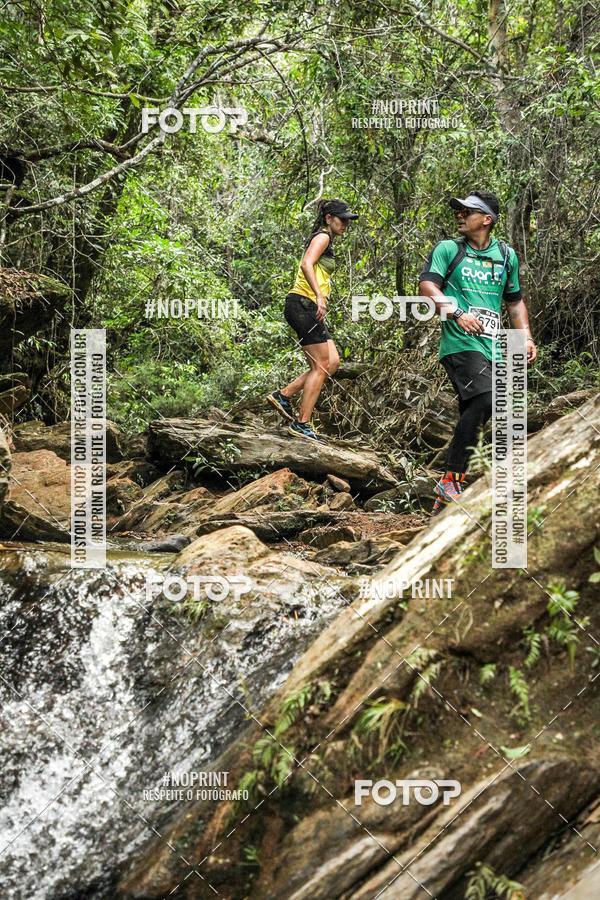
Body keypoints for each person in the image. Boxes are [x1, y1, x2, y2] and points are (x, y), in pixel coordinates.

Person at [418, 191, 537, 513]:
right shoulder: (449, 249)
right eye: (458, 210)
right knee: (487, 399)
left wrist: (525, 337)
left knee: (491, 410)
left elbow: (514, 302)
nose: (459, 215)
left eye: (467, 211)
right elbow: (427, 287)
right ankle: (451, 480)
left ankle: (459, 490)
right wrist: (457, 313)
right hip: (460, 343)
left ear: (487, 219)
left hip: (494, 346)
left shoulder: (506, 256)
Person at [267, 198, 358, 442]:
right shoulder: (323, 236)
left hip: (305, 307)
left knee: (333, 362)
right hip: (303, 304)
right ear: (329, 218)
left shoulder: (327, 238)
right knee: (320, 366)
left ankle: (284, 395)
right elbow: (306, 263)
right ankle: (301, 423)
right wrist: (319, 295)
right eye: (343, 220)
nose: (346, 225)